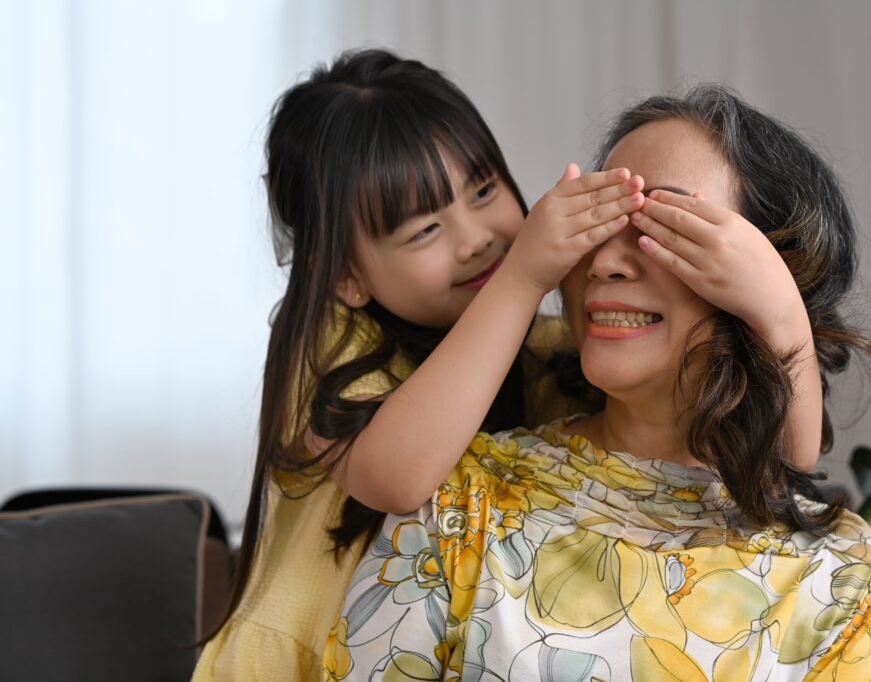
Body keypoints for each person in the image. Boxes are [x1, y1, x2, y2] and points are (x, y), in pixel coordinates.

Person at [325, 85, 871, 681]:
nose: (604, 262)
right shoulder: (461, 506)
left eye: (666, 226)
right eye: (598, 221)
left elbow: (793, 455)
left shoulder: (843, 572)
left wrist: (780, 316)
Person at [193, 48, 641, 680]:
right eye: (424, 230)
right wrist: (520, 280)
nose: (476, 236)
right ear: (346, 275)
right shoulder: (326, 338)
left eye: (484, 190)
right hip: (302, 664)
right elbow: (396, 477)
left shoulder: (540, 350)